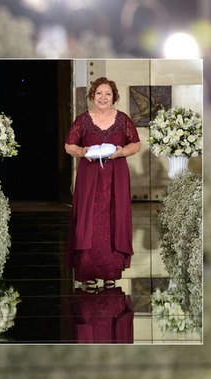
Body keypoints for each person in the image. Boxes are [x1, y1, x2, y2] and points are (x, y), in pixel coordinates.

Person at [64, 77, 141, 287]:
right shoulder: (82, 120)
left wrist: (122, 151)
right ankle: (88, 270)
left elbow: (136, 144)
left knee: (115, 218)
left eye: (108, 94)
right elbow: (69, 146)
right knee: (88, 220)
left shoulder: (123, 119)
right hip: (90, 175)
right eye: (99, 93)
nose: (103, 97)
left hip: (116, 175)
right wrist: (82, 151)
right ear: (92, 96)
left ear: (114, 97)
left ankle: (110, 272)